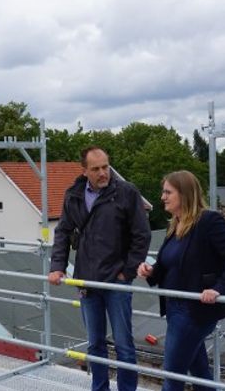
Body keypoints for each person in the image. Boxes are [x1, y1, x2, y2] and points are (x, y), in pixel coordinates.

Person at [49, 146, 151, 391]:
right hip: (87, 281)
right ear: (84, 171)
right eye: (96, 169)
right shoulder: (73, 195)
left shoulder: (126, 193)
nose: (103, 173)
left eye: (106, 166)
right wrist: (57, 267)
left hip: (116, 281)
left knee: (124, 345)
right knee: (95, 344)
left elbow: (142, 235)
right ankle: (100, 388)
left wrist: (126, 272)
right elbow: (62, 231)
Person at [137, 170, 225, 391]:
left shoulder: (208, 221)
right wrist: (151, 271)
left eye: (168, 192)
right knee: (199, 373)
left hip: (195, 311)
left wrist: (220, 288)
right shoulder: (176, 224)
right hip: (174, 307)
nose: (162, 197)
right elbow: (170, 264)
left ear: (185, 194)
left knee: (172, 375)